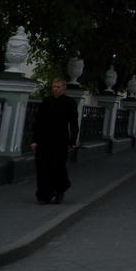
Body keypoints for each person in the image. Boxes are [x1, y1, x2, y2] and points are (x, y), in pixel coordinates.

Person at [30, 77, 79, 205]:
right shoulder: (47, 101)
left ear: (64, 88)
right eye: (53, 87)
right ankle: (44, 195)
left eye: (58, 87)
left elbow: (73, 124)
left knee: (58, 167)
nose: (55, 89)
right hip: (44, 140)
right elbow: (38, 121)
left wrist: (72, 142)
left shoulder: (70, 103)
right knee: (42, 167)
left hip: (60, 140)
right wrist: (34, 140)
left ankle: (59, 191)